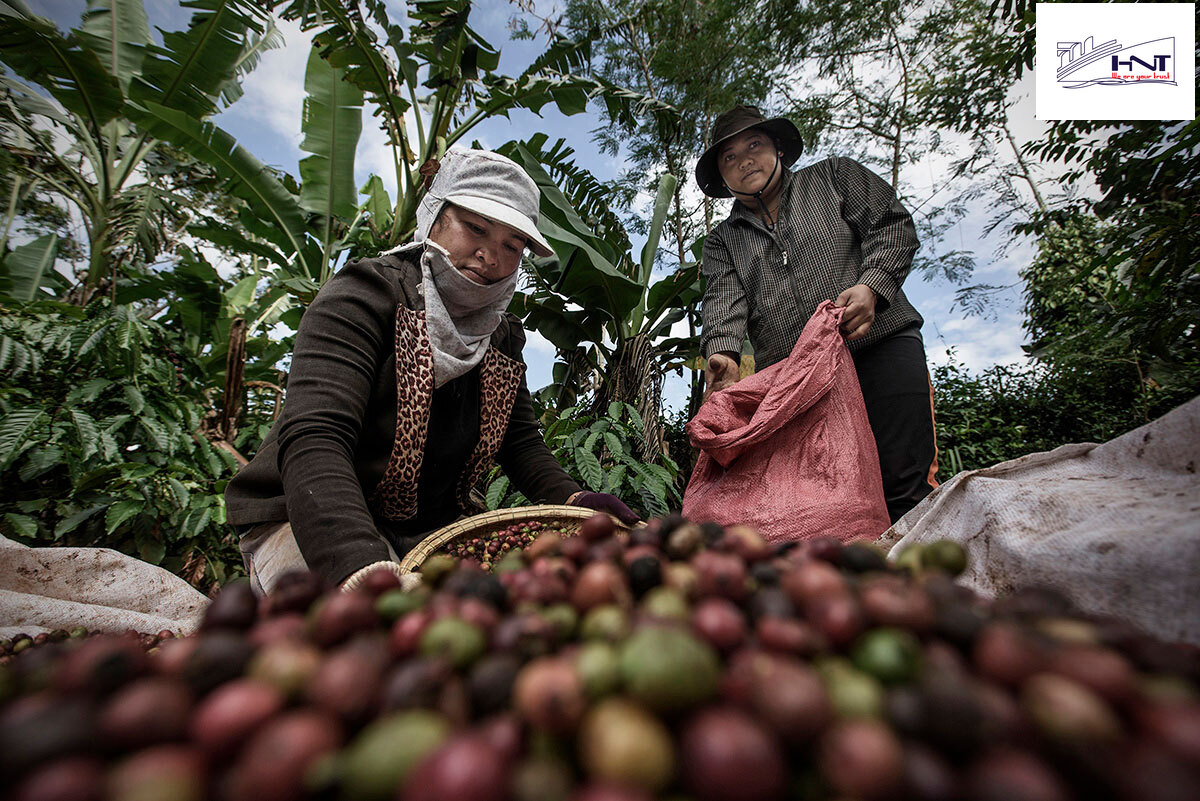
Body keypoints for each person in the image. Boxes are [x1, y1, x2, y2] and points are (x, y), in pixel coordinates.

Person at [225, 147, 638, 593]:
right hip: (310, 518)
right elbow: (316, 436)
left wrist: (575, 501)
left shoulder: (502, 336)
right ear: (434, 218)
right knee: (357, 638)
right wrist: (360, 566)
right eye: (475, 228)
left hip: (430, 531)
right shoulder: (364, 297)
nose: (490, 256)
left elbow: (519, 444)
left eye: (512, 246)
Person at [694, 105, 938, 523]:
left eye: (754, 145)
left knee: (905, 484)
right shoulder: (723, 240)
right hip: (800, 380)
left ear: (779, 150)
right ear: (721, 175)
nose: (744, 161)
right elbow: (723, 301)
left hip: (882, 344)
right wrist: (724, 354)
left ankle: (919, 583)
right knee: (822, 497)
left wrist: (872, 286)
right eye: (729, 157)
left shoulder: (835, 177)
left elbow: (893, 226)